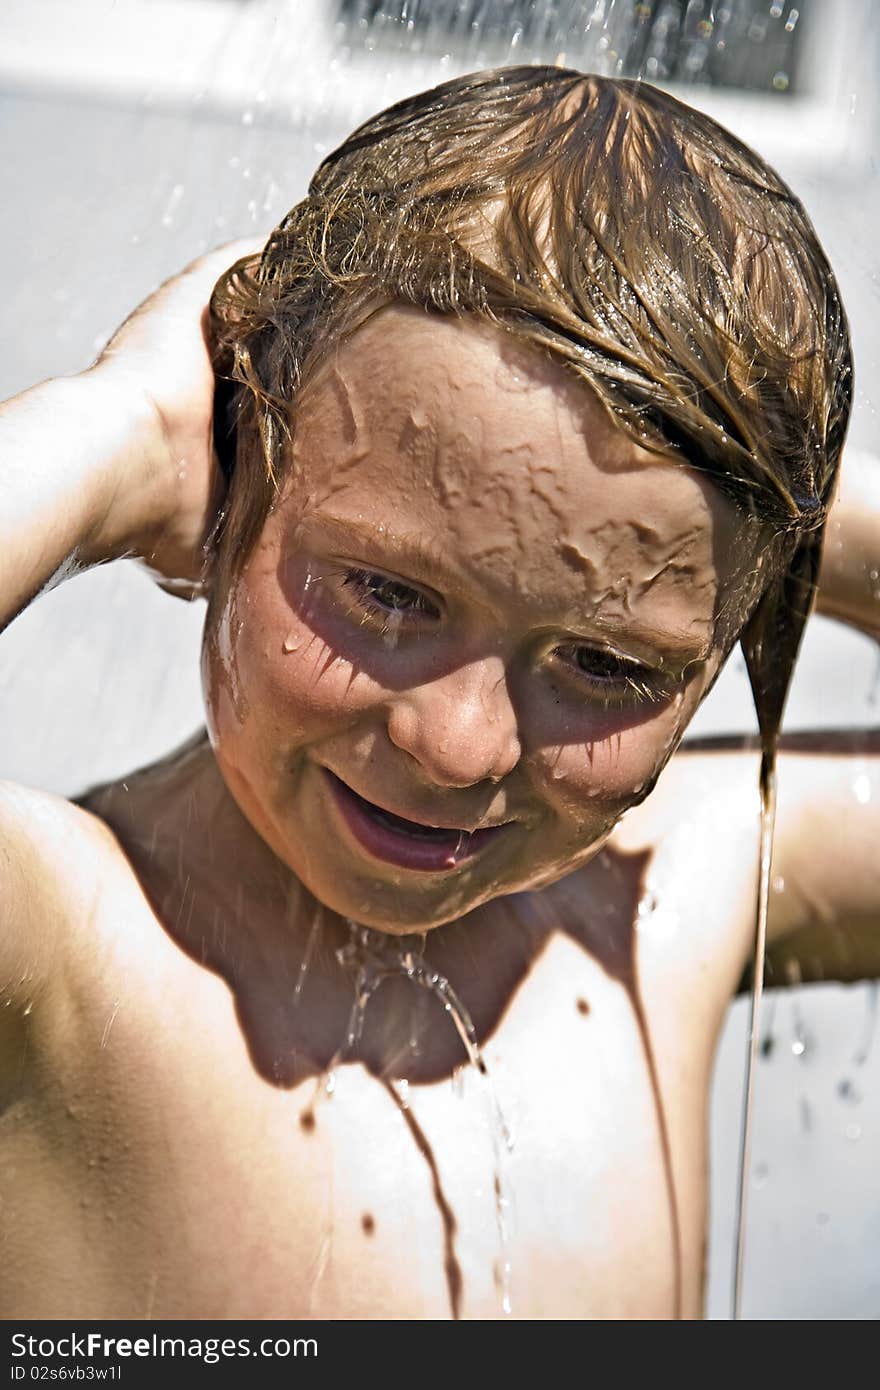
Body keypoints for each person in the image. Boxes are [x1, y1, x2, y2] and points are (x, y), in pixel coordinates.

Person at [0, 66, 877, 1321]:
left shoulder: (662, 905)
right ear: (228, 482)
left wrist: (787, 520)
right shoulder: (61, 951)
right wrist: (118, 434)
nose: (462, 745)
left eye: (609, 664)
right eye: (386, 595)